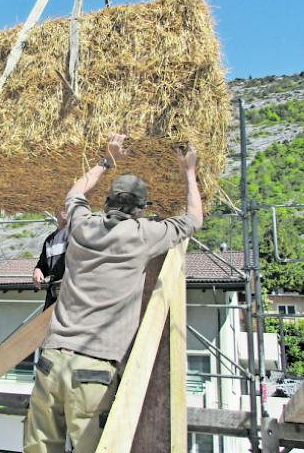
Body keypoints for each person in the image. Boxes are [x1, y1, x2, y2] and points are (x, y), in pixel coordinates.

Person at [23, 133, 203, 452]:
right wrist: (189, 172)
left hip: (52, 359)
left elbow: (75, 192)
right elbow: (193, 219)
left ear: (106, 202)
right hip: (94, 367)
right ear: (140, 210)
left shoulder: (81, 226)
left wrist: (106, 159)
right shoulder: (142, 234)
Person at [33, 209, 68, 309]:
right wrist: (38, 270)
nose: (65, 208)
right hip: (54, 296)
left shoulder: (80, 233)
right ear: (55, 212)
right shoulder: (50, 240)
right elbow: (42, 265)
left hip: (74, 294)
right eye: (61, 206)